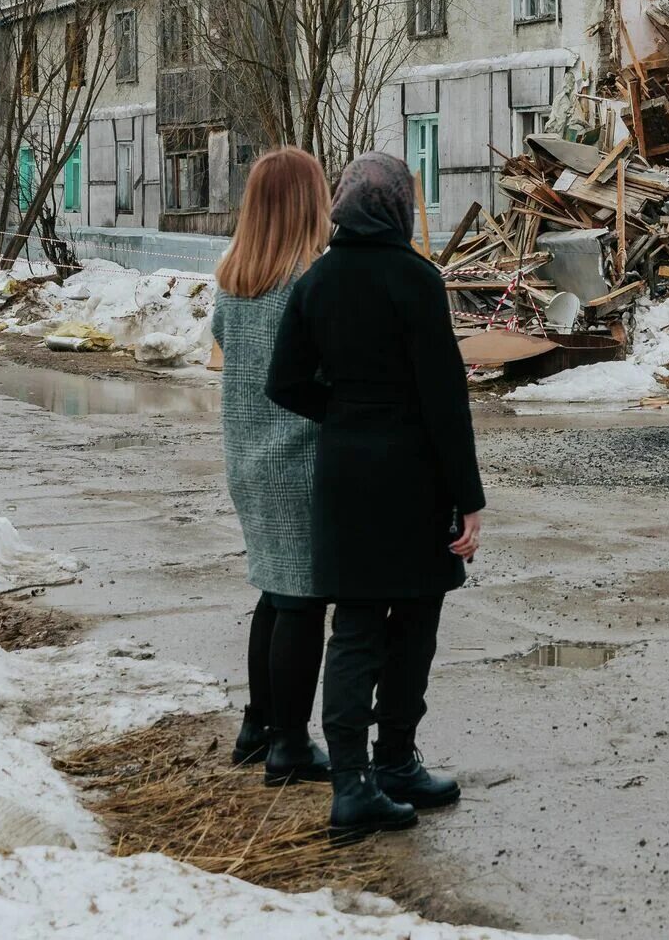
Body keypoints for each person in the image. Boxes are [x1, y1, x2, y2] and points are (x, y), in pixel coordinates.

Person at [267, 150, 486, 844]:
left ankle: (353, 781)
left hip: (346, 476)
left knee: (356, 625)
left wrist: (341, 409)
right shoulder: (416, 279)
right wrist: (468, 496)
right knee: (414, 618)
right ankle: (395, 761)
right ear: (399, 205)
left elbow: (283, 381)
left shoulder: (318, 280)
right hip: (413, 477)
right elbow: (445, 399)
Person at [209, 146, 334, 788]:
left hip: (249, 460)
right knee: (302, 601)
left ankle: (258, 726)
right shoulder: (311, 284)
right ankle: (290, 743)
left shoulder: (233, 282)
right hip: (300, 460)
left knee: (274, 592)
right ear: (307, 204)